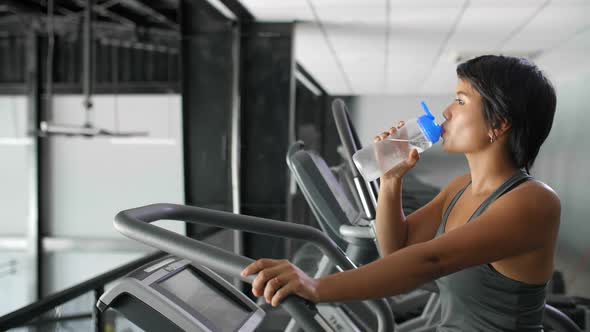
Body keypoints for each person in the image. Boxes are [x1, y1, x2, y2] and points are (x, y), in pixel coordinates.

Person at [241, 55, 560, 331]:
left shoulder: (533, 202)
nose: (446, 111)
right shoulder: (460, 188)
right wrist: (392, 181)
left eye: (461, 101)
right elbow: (396, 252)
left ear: (499, 124)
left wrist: (316, 286)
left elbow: (430, 260)